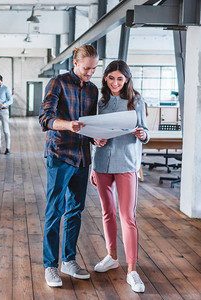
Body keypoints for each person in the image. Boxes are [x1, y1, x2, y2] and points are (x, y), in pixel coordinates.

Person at [38, 45, 99, 287]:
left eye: (94, 69)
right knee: (55, 210)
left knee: (75, 210)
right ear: (75, 63)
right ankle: (50, 266)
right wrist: (67, 125)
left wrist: (97, 137)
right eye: (87, 68)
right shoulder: (58, 83)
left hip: (83, 157)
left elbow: (91, 124)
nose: (90, 73)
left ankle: (68, 260)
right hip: (60, 154)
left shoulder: (93, 90)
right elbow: (45, 118)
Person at [90, 60, 148, 293]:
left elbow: (145, 132)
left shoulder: (137, 101)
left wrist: (143, 134)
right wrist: (95, 139)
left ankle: (132, 270)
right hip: (102, 163)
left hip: (126, 164)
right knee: (107, 213)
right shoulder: (100, 102)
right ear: (105, 78)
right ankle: (111, 256)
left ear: (127, 80)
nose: (115, 83)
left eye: (120, 79)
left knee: (127, 216)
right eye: (111, 78)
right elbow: (91, 130)